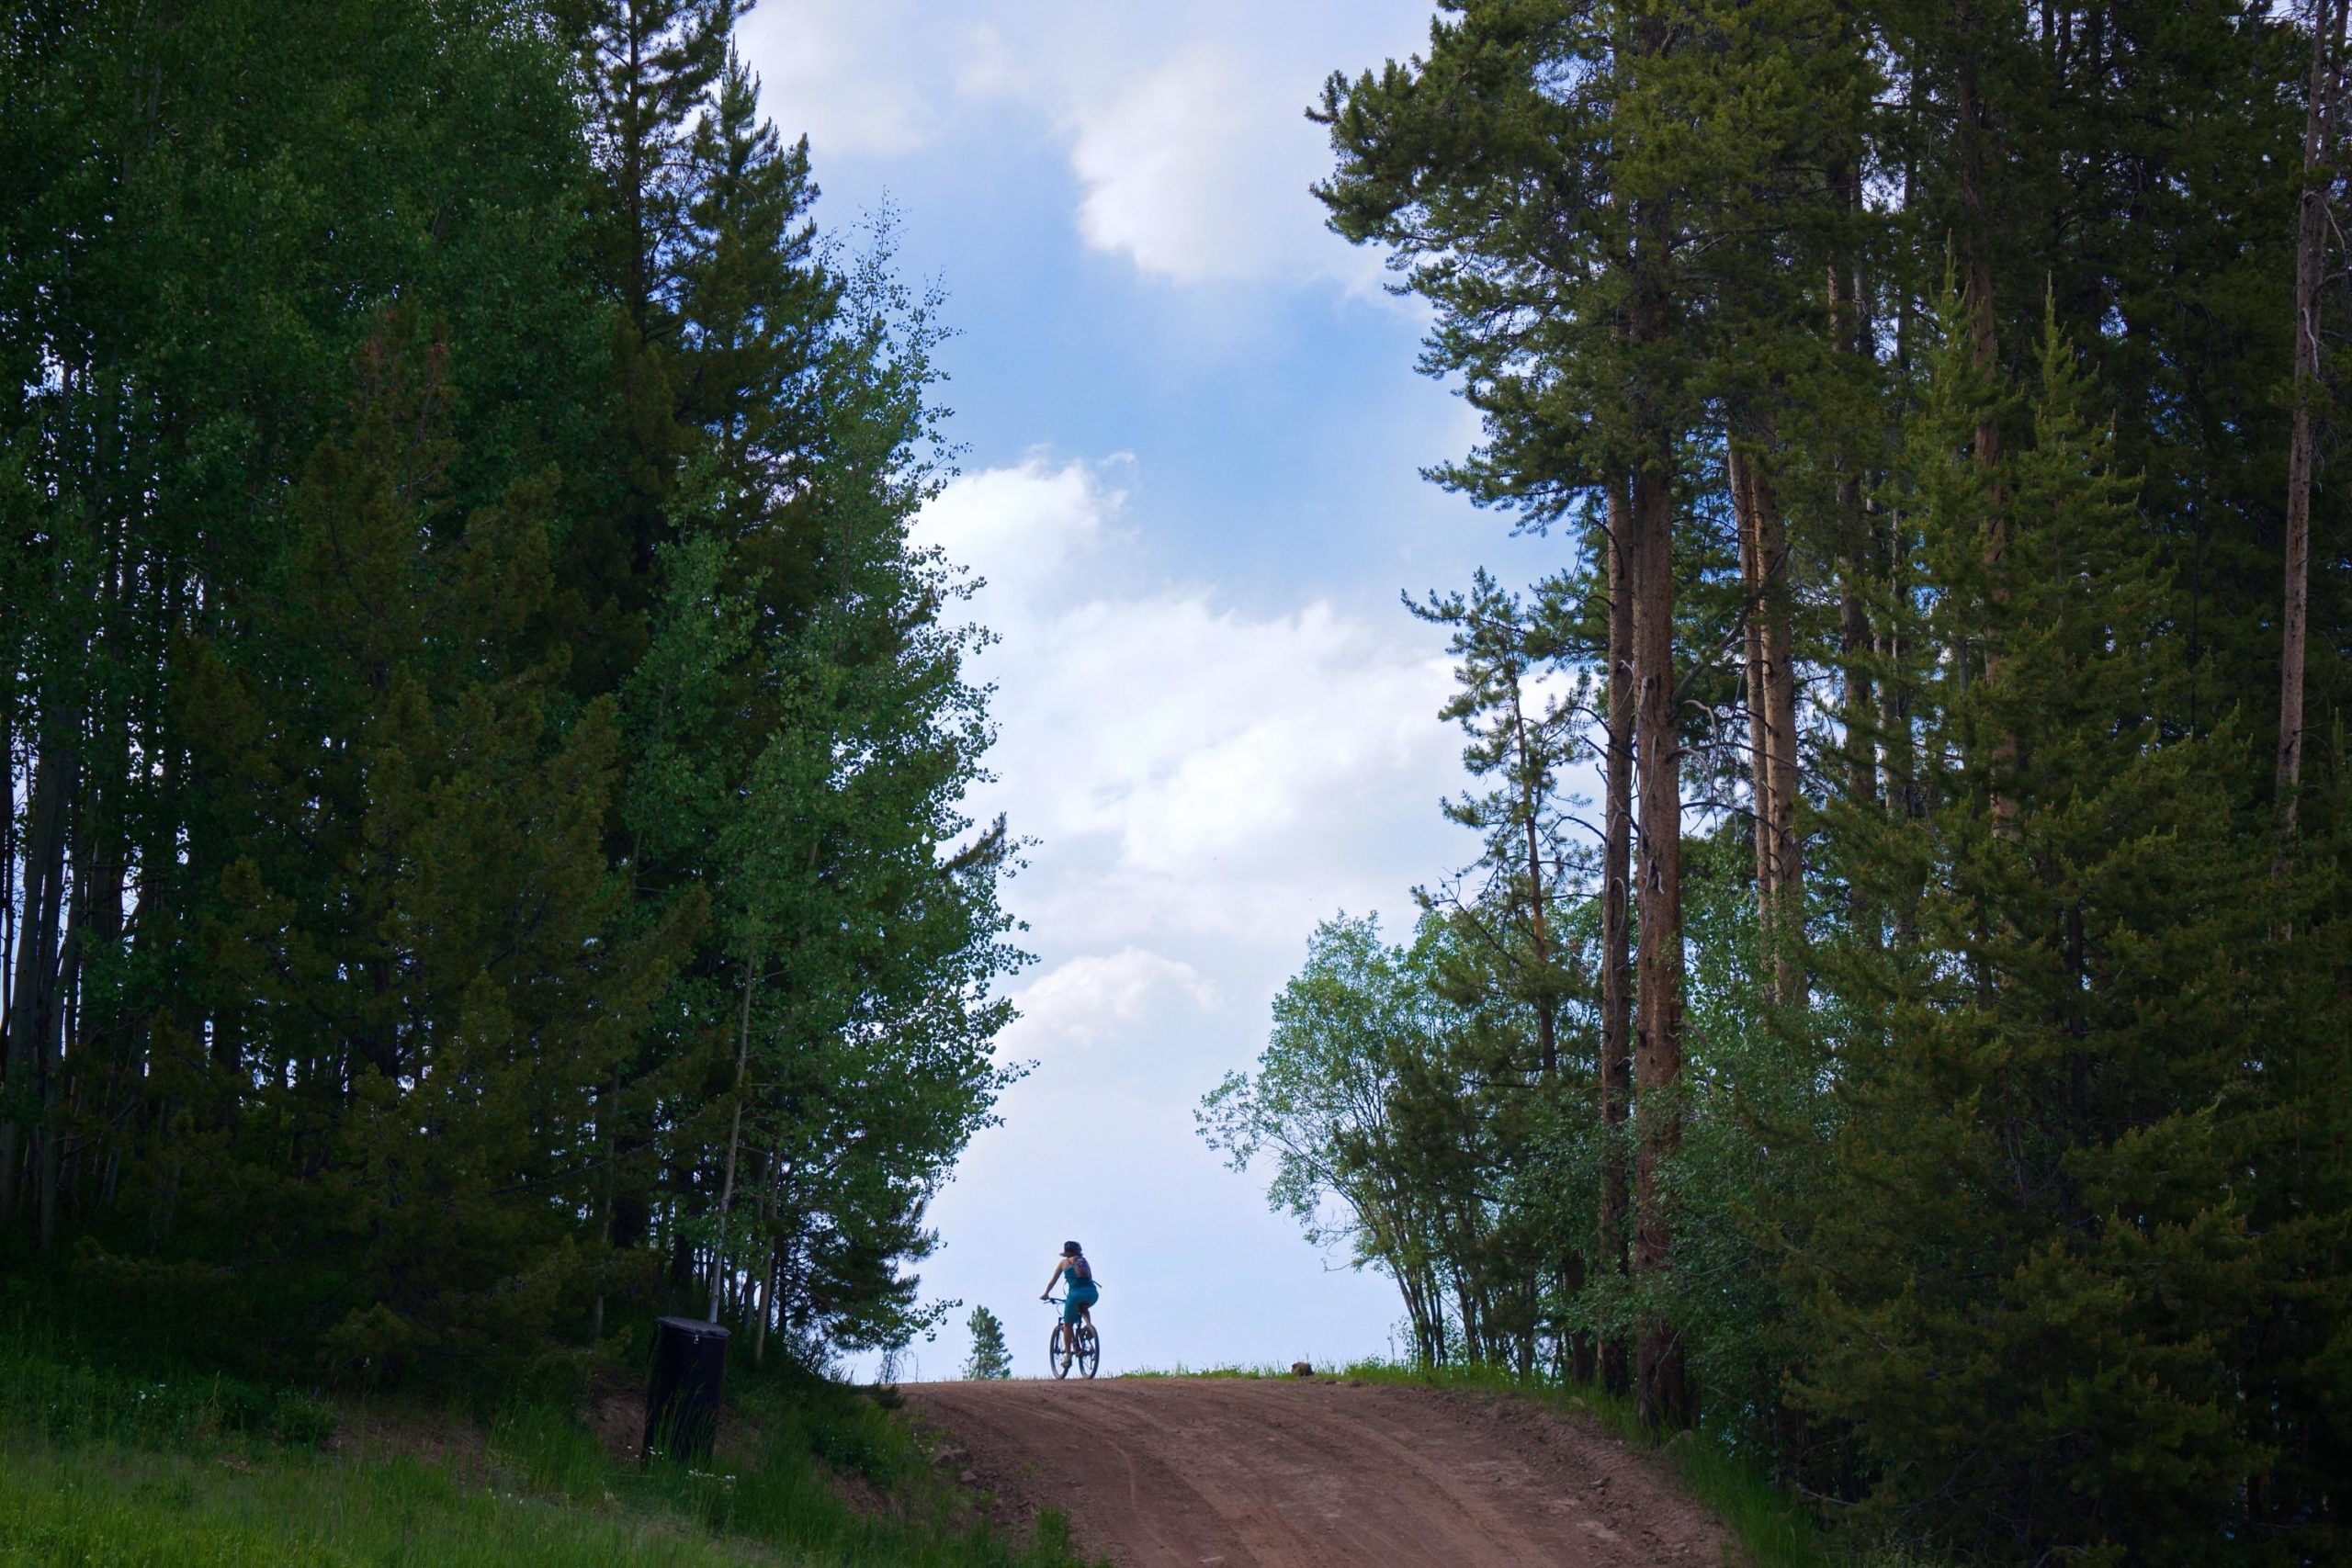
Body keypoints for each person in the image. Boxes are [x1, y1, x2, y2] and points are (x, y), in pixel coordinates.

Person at [1041, 1239, 1099, 1343]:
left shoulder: (1063, 1263)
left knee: (1068, 1325)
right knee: (1083, 1306)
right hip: (1092, 1293)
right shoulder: (1084, 1261)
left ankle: (1067, 1355)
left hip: (1075, 1295)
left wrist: (1046, 1293)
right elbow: (1089, 1277)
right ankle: (1089, 1326)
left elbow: (1053, 1281)